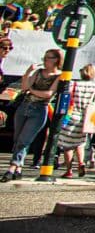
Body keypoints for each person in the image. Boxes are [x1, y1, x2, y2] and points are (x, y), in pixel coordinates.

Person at [8, 48, 62, 179]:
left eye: (49, 57)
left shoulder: (59, 76)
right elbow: (24, 87)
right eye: (44, 57)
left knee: (24, 140)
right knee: (17, 139)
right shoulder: (38, 72)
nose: (45, 60)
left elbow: (48, 94)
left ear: (56, 60)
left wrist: (31, 90)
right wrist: (28, 72)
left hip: (39, 109)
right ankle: (18, 169)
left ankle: (12, 167)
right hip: (24, 106)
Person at [56, 62, 95, 179]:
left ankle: (69, 170)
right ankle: (81, 163)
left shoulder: (73, 84)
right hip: (85, 119)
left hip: (71, 116)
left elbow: (66, 97)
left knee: (67, 146)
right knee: (80, 143)